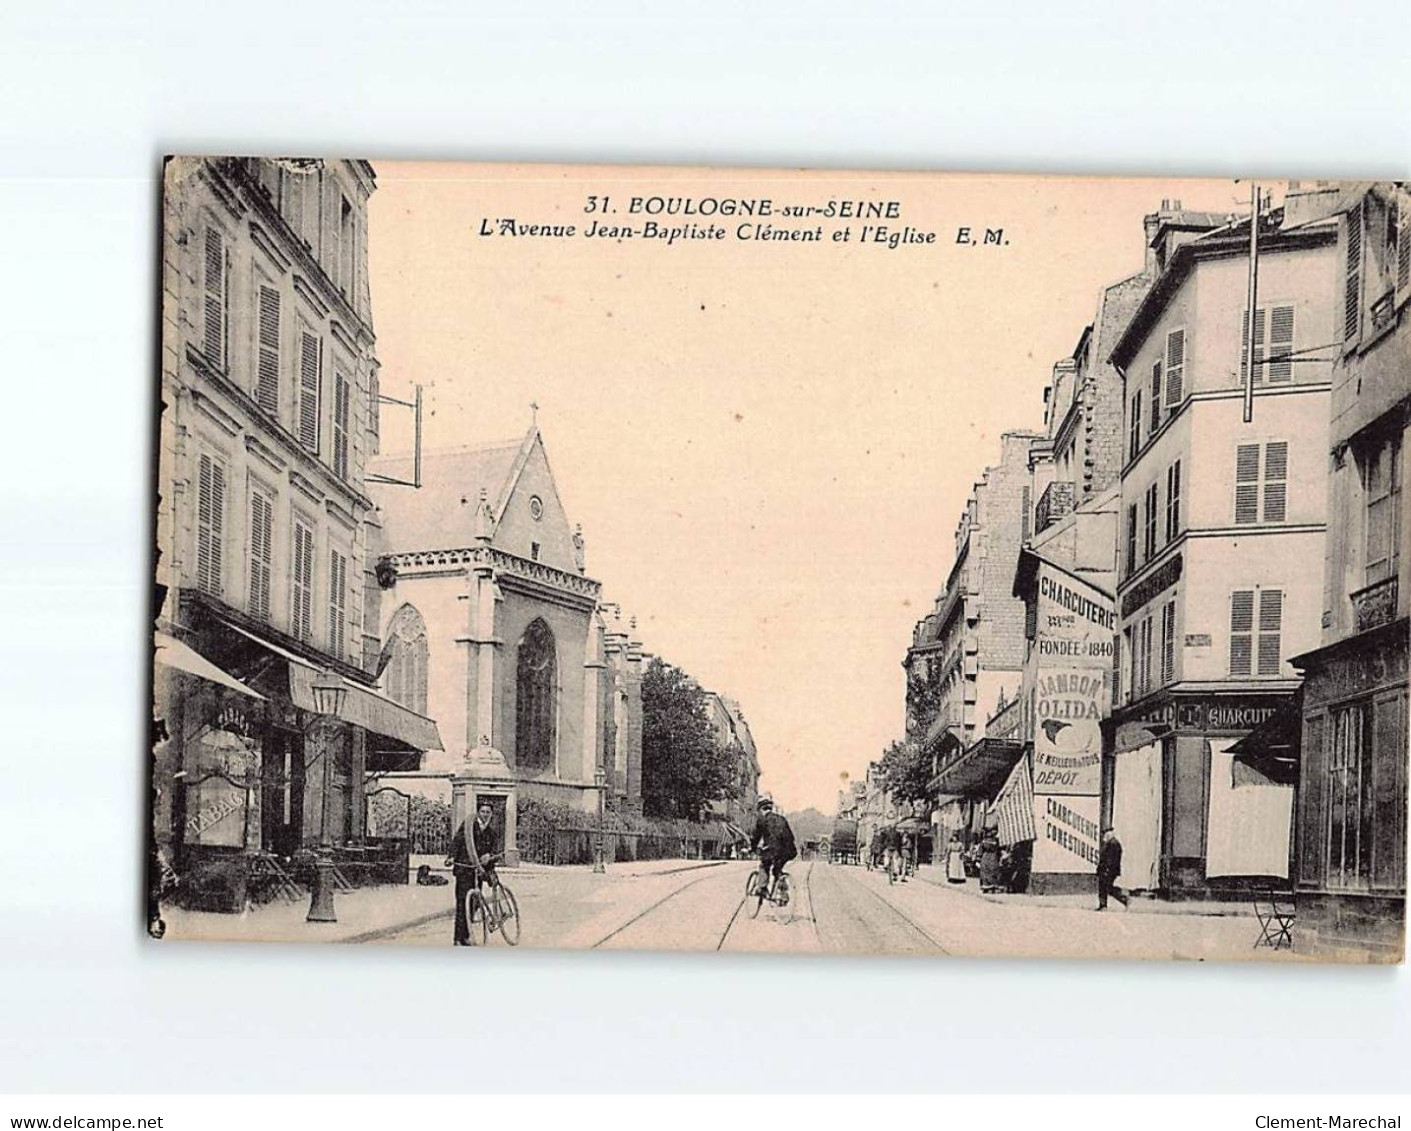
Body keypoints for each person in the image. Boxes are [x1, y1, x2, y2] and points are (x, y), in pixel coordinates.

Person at [448, 798, 505, 946]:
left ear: (491, 814)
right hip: (464, 869)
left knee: (474, 904)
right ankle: (458, 938)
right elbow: (457, 842)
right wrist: (451, 856)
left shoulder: (492, 833)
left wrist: (489, 856)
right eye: (483, 811)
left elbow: (495, 851)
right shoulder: (468, 827)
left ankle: (466, 935)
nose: (485, 814)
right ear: (478, 812)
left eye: (488, 812)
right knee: (462, 904)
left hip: (479, 871)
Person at [748, 795, 797, 898]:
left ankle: (762, 888)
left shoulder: (762, 820)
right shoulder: (782, 819)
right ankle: (782, 887)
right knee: (777, 870)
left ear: (761, 810)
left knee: (764, 865)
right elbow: (791, 836)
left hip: (773, 849)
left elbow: (756, 837)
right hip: (789, 850)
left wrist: (753, 848)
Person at [1097, 828, 1130, 910]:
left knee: (1106, 887)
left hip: (1109, 870)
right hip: (1109, 870)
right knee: (1106, 887)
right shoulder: (1112, 843)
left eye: (1105, 834)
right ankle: (1105, 904)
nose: (1103, 837)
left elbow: (1110, 859)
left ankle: (1122, 899)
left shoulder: (1112, 844)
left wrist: (1106, 869)